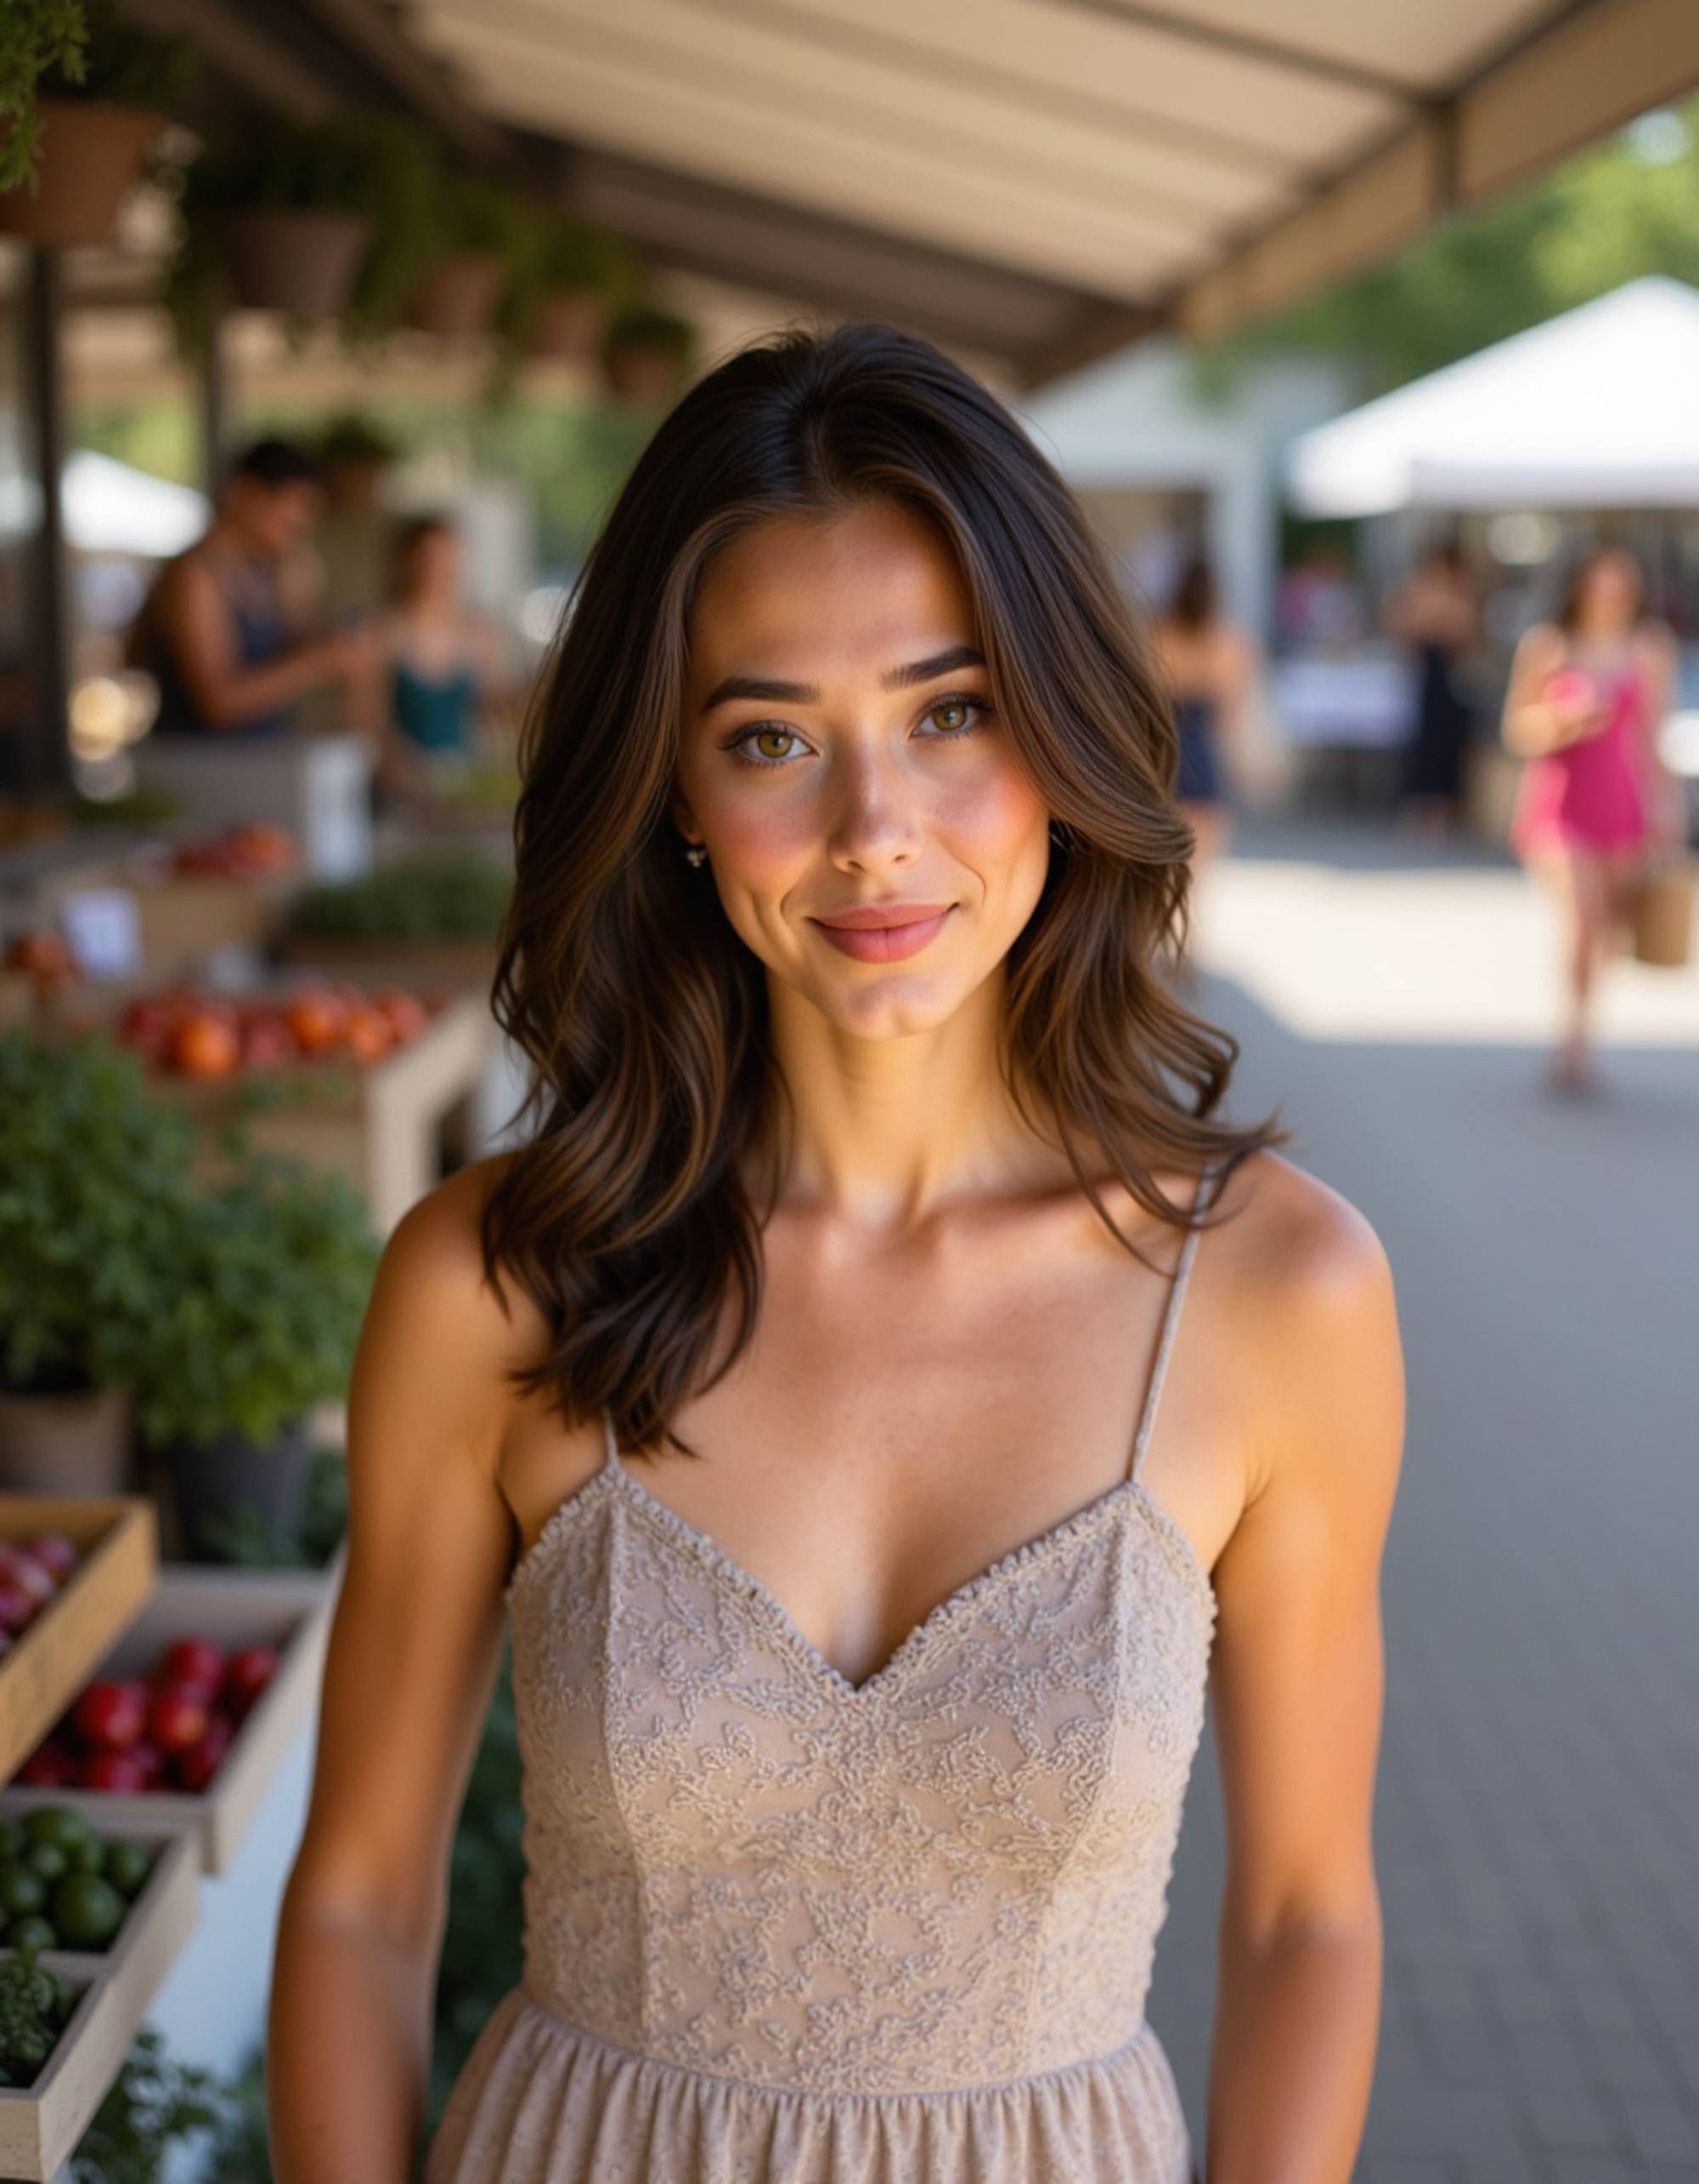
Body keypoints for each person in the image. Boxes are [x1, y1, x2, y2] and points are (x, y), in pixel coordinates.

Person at [269, 324, 1404, 2184]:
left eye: (951, 713)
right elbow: (359, 1899)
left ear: (1061, 728)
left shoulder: (1284, 1295)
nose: (876, 833)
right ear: (675, 794)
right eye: (772, 738)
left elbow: (1305, 1917)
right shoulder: (496, 1282)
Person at [1503, 543, 1684, 1097]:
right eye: (1600, 584)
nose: (1610, 595)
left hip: (1620, 800)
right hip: (1560, 801)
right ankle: (1574, 1040)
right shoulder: (1548, 646)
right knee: (1583, 917)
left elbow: (1652, 736)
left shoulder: (1649, 647)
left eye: (1619, 585)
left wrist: (1667, 807)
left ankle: (1583, 1018)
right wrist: (1560, 720)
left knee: (1604, 925)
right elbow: (1516, 730)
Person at [123, 437, 373, 742]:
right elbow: (218, 703)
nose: (300, 523)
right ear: (244, 494)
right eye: (293, 506)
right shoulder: (195, 575)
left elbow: (283, 661)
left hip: (259, 756)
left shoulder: (270, 571)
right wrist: (318, 662)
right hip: (197, 759)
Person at [367, 515, 514, 799]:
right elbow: (370, 724)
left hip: (462, 779)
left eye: (448, 559)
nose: (440, 570)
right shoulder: (386, 632)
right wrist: (399, 766)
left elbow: (494, 708)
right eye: (429, 559)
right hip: (404, 785)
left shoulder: (478, 635)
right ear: (407, 562)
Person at [1150, 554, 1256, 871]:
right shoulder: (1227, 642)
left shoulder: (1158, 634)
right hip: (1204, 752)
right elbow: (1230, 711)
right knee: (1201, 860)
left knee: (1165, 857)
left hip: (1164, 750)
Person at [1386, 539, 1479, 839]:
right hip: (1427, 674)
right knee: (1423, 740)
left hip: (1450, 674)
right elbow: (1406, 629)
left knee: (1447, 741)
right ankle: (1421, 805)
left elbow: (1465, 634)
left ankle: (1444, 806)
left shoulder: (1460, 595)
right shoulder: (1418, 592)